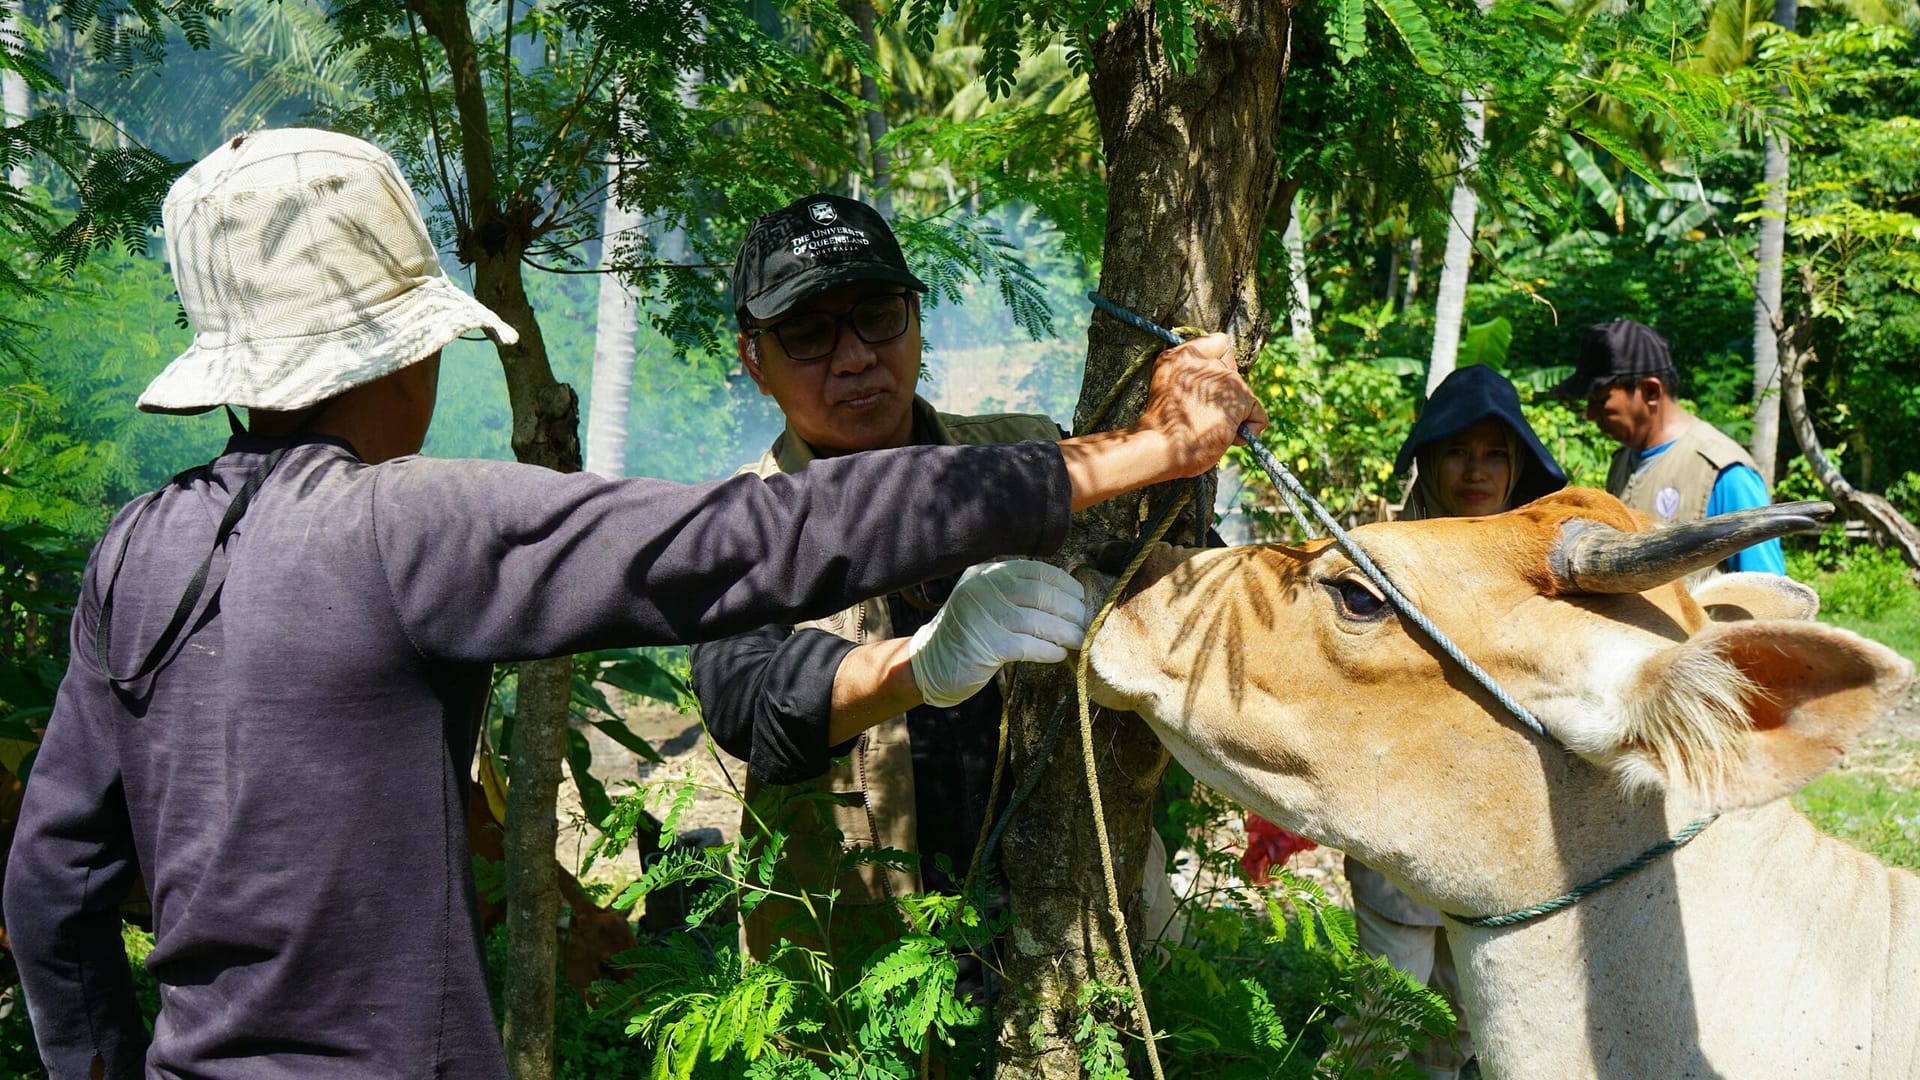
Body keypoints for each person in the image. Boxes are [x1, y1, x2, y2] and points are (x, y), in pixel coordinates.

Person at [1, 130, 1264, 1079]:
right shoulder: (406, 522)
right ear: (399, 350)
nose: (853, 356)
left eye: (876, 319)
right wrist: (1149, 450)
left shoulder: (139, 547)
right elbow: (753, 543)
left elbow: (54, 886)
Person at [690, 193, 1187, 980]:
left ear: (917, 321)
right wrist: (918, 668)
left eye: (878, 315)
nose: (854, 357)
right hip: (861, 962)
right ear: (755, 360)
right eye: (809, 333)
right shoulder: (745, 522)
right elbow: (743, 701)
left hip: (1066, 928)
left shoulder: (1034, 455)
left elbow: (1183, 584)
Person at [1343, 364, 1568, 1080]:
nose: (1477, 470)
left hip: (1496, 842)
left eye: (1495, 453)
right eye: (1459, 451)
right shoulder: (1375, 567)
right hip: (1396, 832)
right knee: (1382, 1023)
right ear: (1430, 459)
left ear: (1518, 466)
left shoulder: (1542, 568)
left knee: (1466, 1035)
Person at [1553, 318, 1784, 574]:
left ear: (1651, 392)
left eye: (1600, 400)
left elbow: (1767, 587)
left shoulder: (1723, 472)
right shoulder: (1622, 462)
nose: (1592, 414)